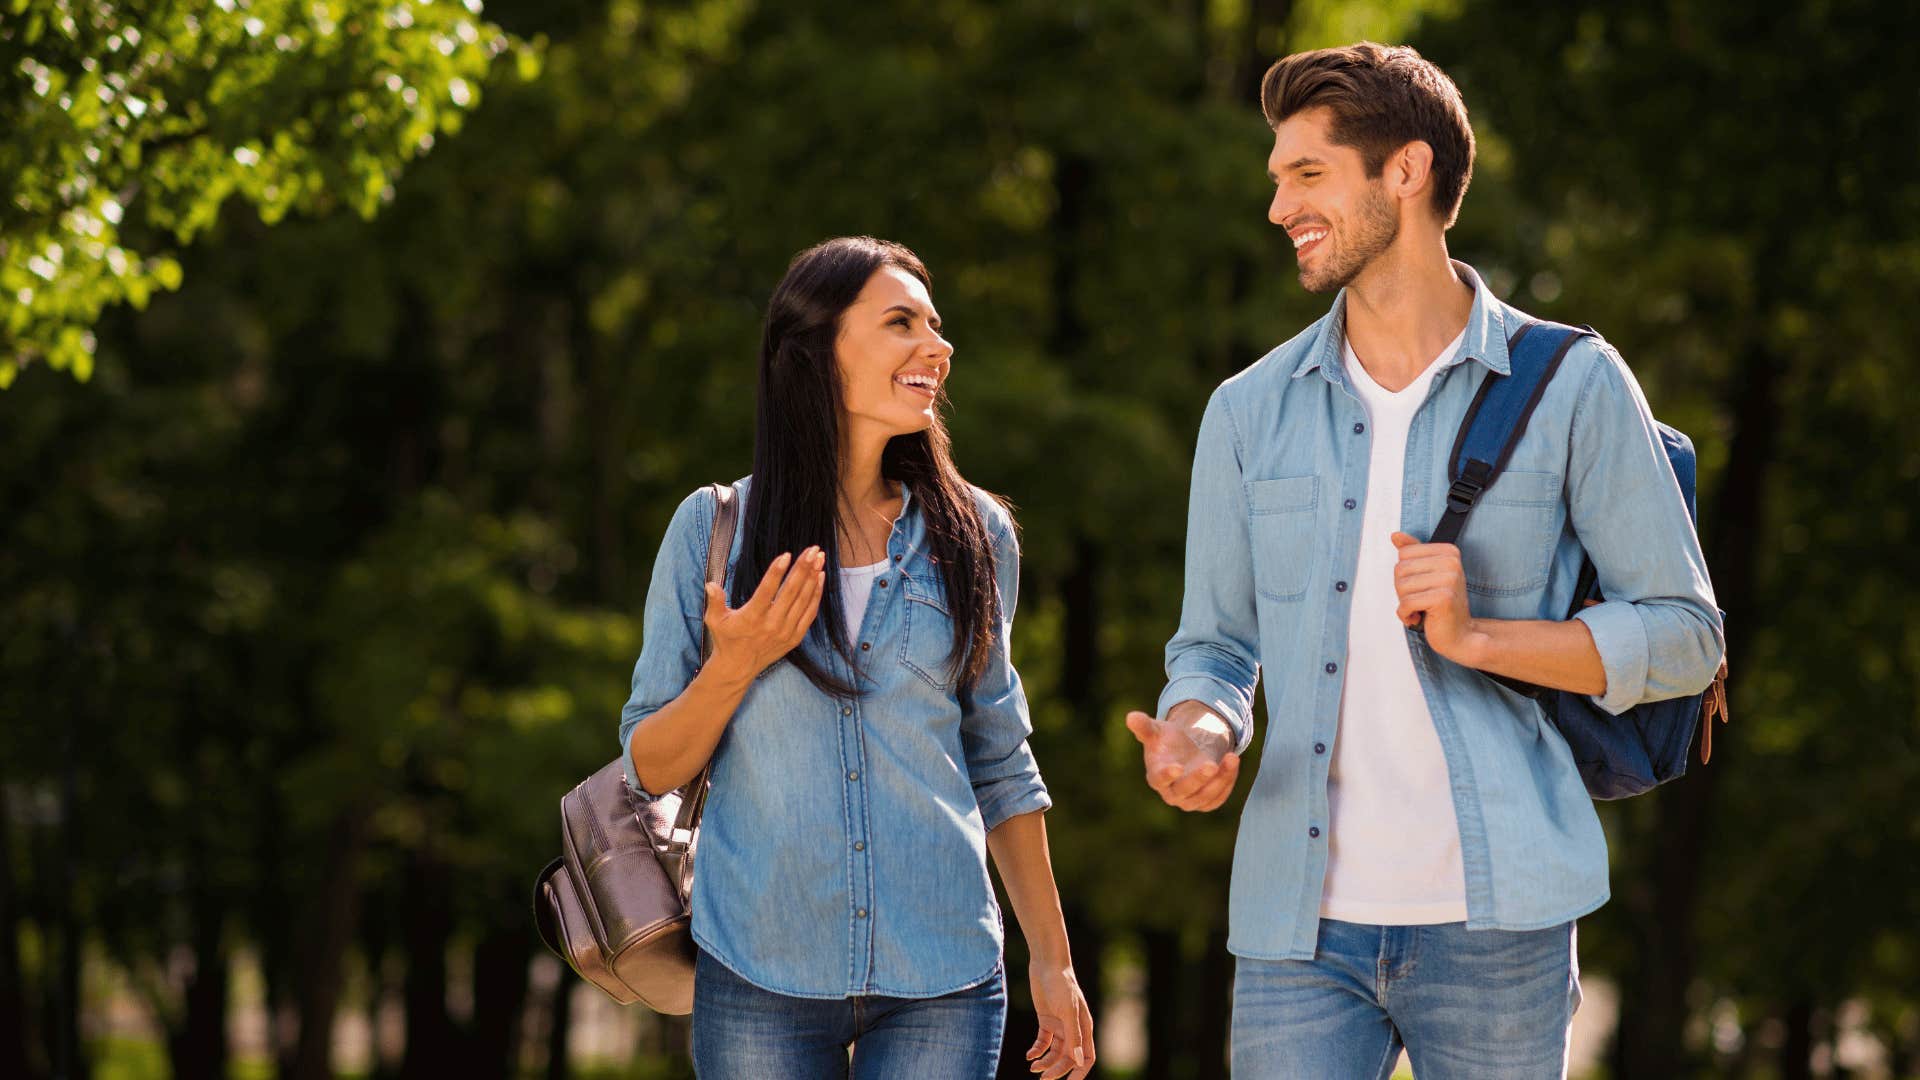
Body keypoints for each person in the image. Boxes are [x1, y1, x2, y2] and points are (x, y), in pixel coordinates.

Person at [1124, 43, 1724, 1078]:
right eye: (1278, 180)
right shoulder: (1247, 412)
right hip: (1295, 930)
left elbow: (1686, 636)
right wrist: (1201, 728)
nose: (1278, 208)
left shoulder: (1577, 385)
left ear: (1403, 172)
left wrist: (1483, 635)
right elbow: (1216, 645)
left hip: (1501, 925)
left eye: (1306, 175)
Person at [619, 236, 1094, 1079]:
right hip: (758, 964)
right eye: (901, 322)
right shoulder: (712, 531)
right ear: (813, 350)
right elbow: (649, 768)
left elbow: (1000, 759)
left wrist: (1051, 961)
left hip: (942, 971)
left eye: (937, 326)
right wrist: (735, 665)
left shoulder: (976, 537)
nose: (938, 347)